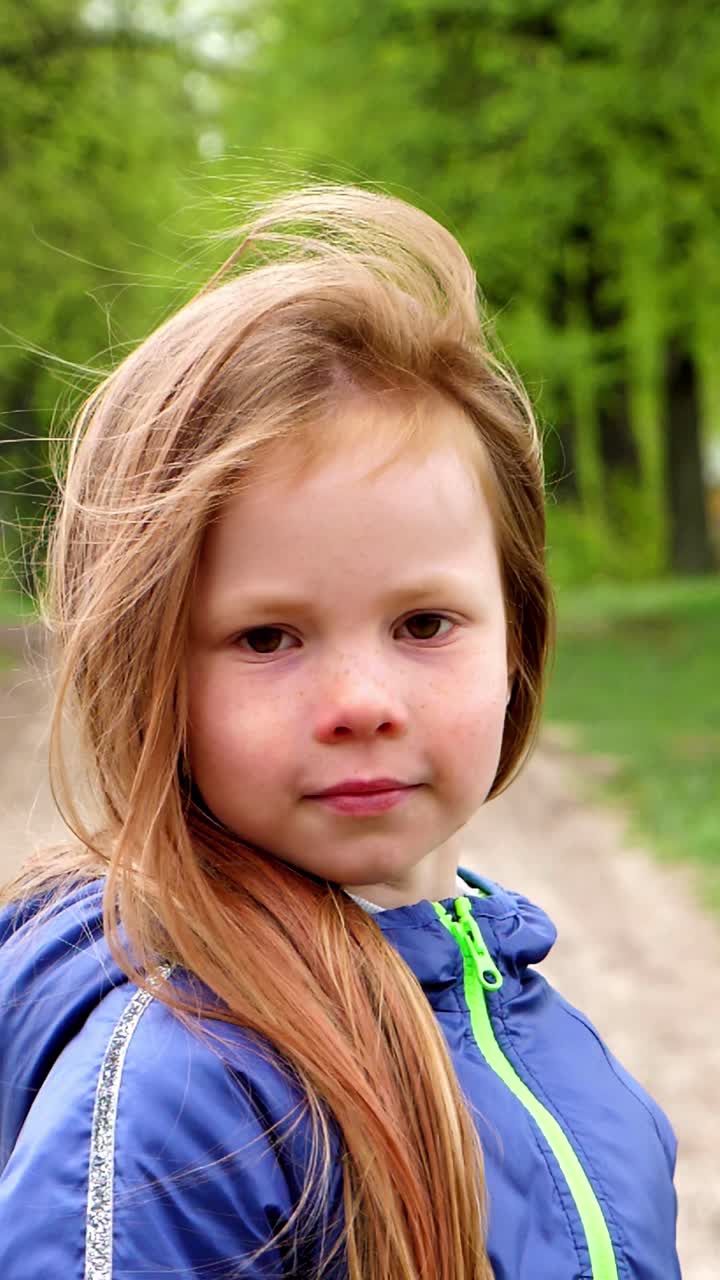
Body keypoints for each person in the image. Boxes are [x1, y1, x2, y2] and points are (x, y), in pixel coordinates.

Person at [0, 185, 680, 1280]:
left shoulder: (544, 1037)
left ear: (517, 634)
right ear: (149, 669)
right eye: (269, 636)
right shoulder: (186, 1098)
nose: (361, 697)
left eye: (424, 622)